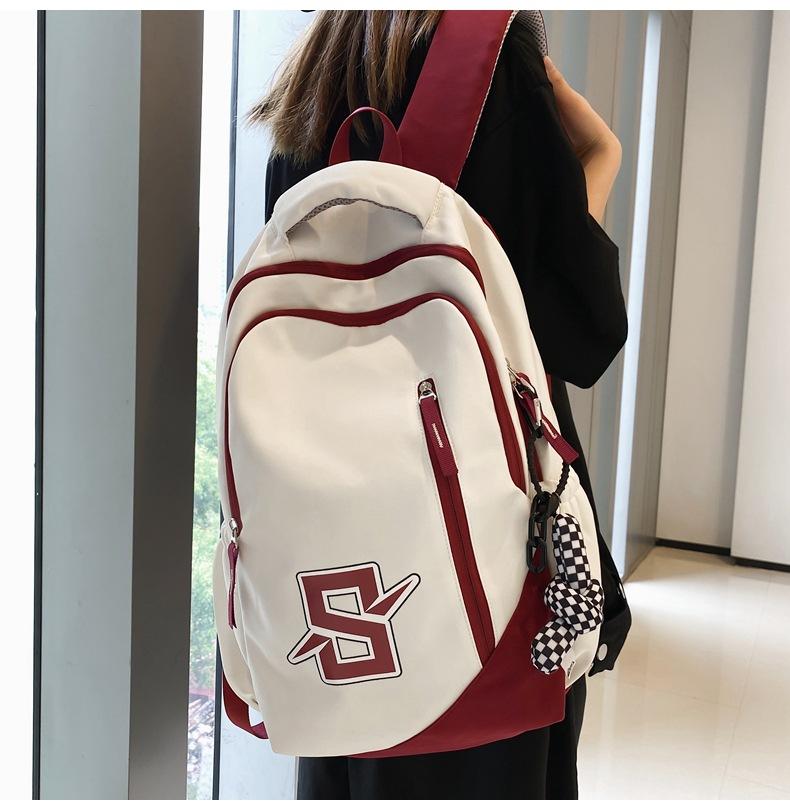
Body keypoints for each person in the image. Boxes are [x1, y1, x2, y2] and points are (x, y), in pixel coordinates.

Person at [252, 10, 630, 800]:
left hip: (340, 557)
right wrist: (601, 161)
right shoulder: (494, 59)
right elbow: (578, 332)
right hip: (484, 550)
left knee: (358, 754)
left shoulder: (315, 70)